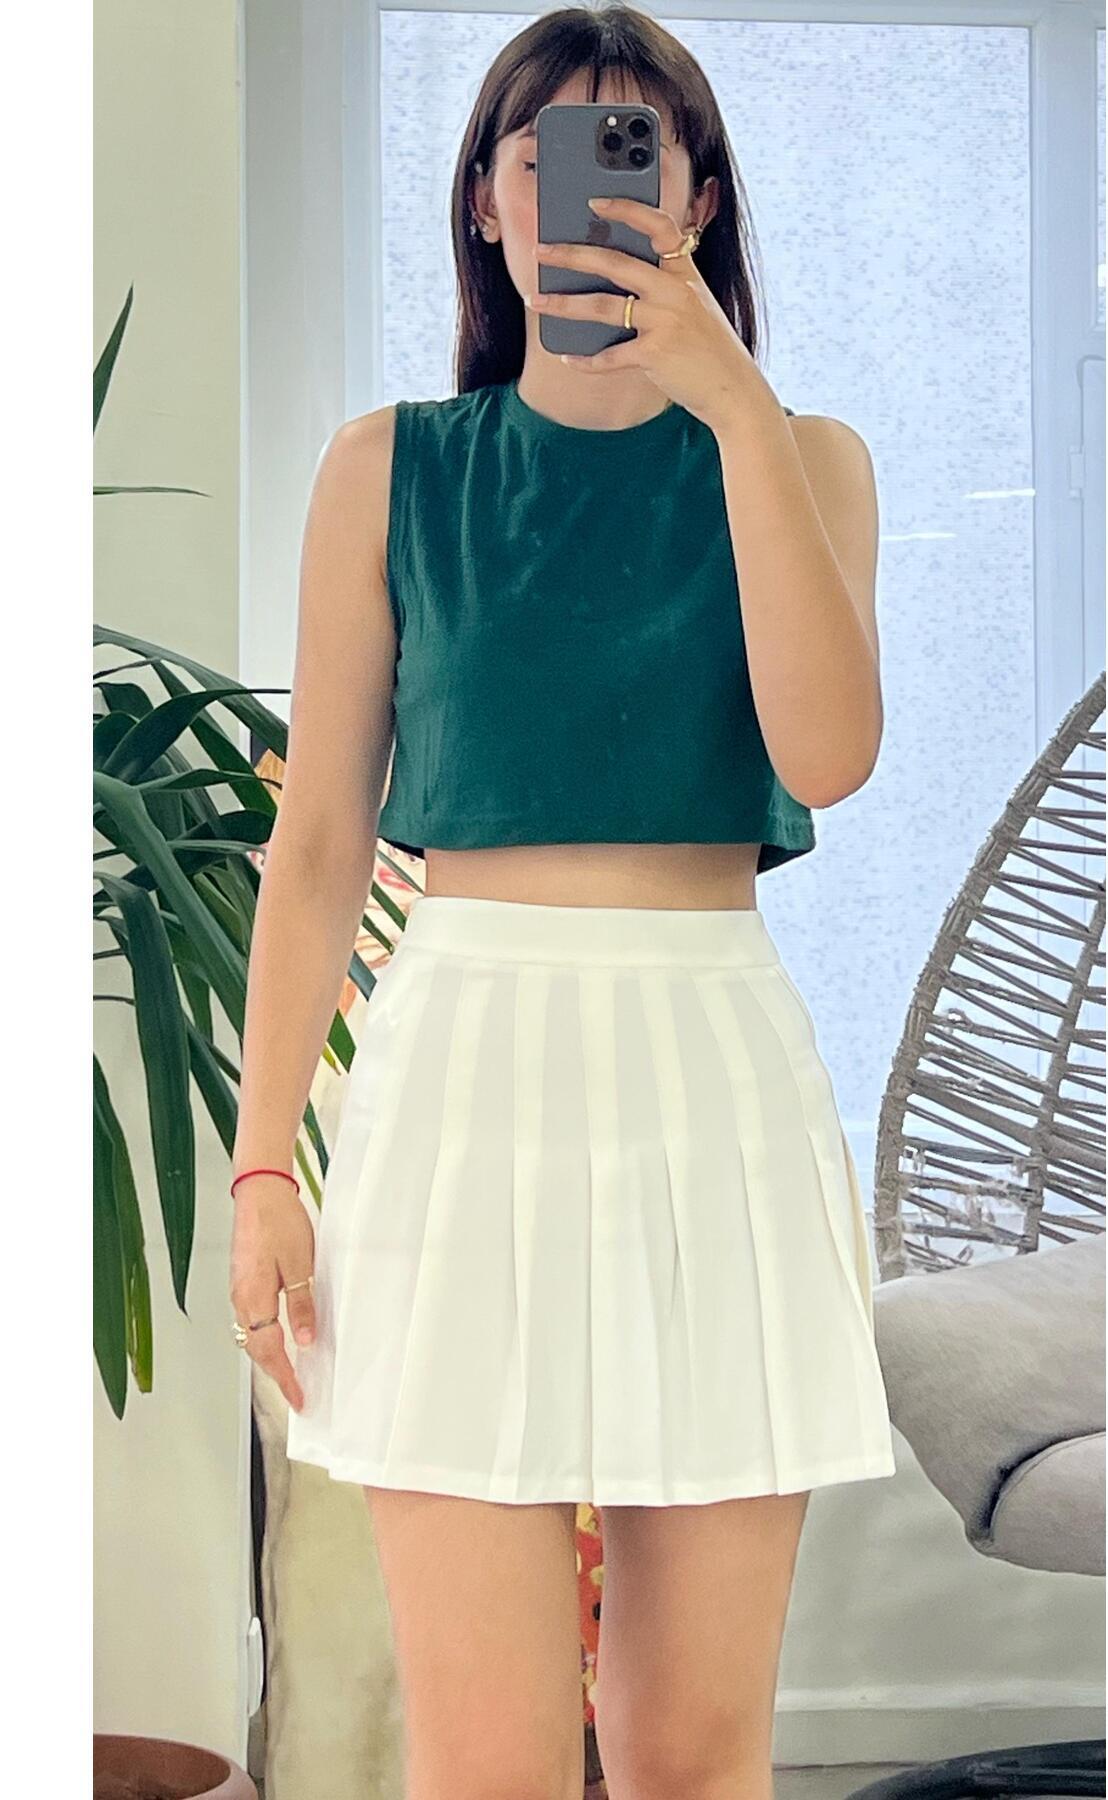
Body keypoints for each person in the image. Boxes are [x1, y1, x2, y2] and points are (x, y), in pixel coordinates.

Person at [228, 7, 894, 1798]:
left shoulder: (806, 457)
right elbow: (318, 844)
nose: (587, 193)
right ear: (484, 201)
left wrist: (732, 403)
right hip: (462, 1078)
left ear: (698, 200)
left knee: (690, 1754)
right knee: (489, 1763)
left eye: (635, 153)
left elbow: (829, 756)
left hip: (712, 1072)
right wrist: (266, 1167)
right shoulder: (389, 470)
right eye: (545, 154)